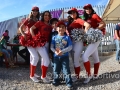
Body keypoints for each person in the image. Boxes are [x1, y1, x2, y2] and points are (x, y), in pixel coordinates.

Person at [82, 4, 106, 83]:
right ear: (85, 10)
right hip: (90, 39)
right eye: (86, 9)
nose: (88, 10)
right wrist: (85, 39)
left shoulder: (95, 15)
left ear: (91, 9)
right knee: (96, 57)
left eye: (89, 8)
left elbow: (103, 24)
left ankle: (89, 76)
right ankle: (95, 75)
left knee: (84, 56)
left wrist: (96, 30)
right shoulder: (85, 18)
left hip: (95, 38)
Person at [67, 8, 91, 80]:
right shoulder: (71, 21)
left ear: (77, 13)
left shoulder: (79, 20)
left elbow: (88, 25)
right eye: (71, 13)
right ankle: (77, 76)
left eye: (74, 12)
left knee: (76, 60)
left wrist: (83, 33)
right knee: (74, 60)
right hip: (72, 42)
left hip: (78, 42)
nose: (72, 14)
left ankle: (88, 75)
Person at [19, 6, 41, 82]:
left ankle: (33, 73)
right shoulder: (28, 20)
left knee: (32, 57)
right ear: (31, 12)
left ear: (38, 12)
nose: (35, 12)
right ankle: (32, 75)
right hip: (29, 39)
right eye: (33, 11)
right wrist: (23, 34)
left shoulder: (38, 20)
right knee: (35, 57)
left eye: (36, 11)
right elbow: (21, 28)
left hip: (35, 39)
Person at [30, 10, 52, 83]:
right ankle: (39, 76)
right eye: (45, 15)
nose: (46, 16)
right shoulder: (39, 22)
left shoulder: (50, 25)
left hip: (47, 44)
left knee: (43, 60)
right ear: (43, 16)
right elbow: (31, 29)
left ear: (49, 17)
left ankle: (43, 75)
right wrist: (34, 38)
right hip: (40, 44)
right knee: (47, 60)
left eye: (48, 15)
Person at [51, 21, 73, 89]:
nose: (61, 28)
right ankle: (56, 81)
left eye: (63, 27)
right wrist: (55, 52)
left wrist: (62, 51)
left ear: (65, 29)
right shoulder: (54, 37)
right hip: (56, 57)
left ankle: (69, 82)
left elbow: (70, 47)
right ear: (57, 29)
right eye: (59, 27)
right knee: (56, 70)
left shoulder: (67, 38)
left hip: (65, 57)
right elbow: (51, 47)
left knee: (66, 70)